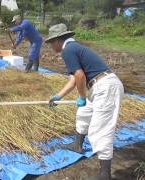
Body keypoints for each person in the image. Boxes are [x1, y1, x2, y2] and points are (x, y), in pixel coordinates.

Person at [46, 23, 124, 180]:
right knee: (83, 112)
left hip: (106, 87)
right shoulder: (73, 48)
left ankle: (104, 174)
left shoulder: (68, 50)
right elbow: (74, 79)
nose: (51, 46)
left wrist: (82, 96)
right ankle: (77, 144)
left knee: (100, 130)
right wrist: (58, 96)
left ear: (58, 40)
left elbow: (80, 76)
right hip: (98, 87)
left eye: (51, 42)